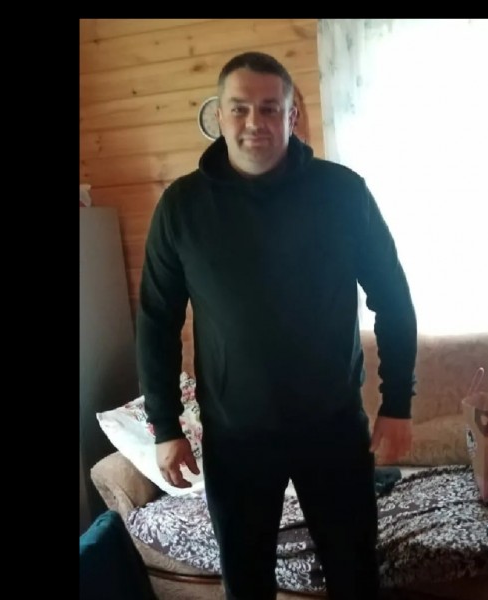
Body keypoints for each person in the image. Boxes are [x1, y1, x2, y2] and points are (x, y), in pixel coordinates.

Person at [136, 51, 417, 600]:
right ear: (219, 114)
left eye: (270, 108)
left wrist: (398, 404)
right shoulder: (181, 207)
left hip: (333, 429)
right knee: (246, 584)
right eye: (240, 108)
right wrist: (165, 426)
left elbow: (393, 299)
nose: (254, 122)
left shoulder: (343, 193)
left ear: (291, 115)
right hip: (235, 438)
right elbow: (156, 320)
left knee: (356, 577)